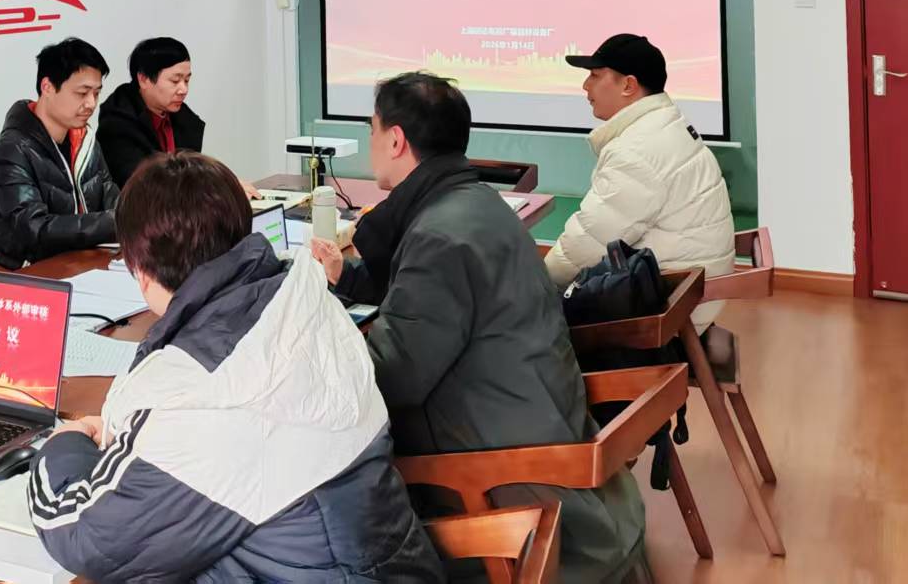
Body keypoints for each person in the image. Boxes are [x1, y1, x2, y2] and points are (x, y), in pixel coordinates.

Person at [28, 151, 444, 582]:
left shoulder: (204, 395)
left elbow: (84, 534)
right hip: (392, 566)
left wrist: (66, 441)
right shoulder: (308, 303)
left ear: (141, 272)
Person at [310, 73, 647, 584]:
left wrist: (316, 347)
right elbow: (428, 300)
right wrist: (347, 279)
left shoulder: (439, 237)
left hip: (503, 468)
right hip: (535, 420)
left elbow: (391, 380)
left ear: (396, 140)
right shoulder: (476, 204)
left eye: (372, 129)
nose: (371, 141)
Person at [545, 34, 736, 328]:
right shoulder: (664, 126)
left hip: (669, 304)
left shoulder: (637, 151)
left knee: (516, 315)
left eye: (595, 75)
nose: (585, 86)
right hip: (688, 290)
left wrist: (536, 281)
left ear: (628, 85)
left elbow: (587, 245)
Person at [0, 37, 119, 268]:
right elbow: (34, 229)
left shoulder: (84, 139)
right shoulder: (12, 150)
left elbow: (110, 194)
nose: (91, 104)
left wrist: (137, 215)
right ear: (47, 87)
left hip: (77, 260)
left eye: (96, 93)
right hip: (23, 271)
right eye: (82, 93)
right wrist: (115, 222)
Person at [95, 37, 204, 187]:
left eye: (186, 80)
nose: (183, 90)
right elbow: (139, 186)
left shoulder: (184, 118)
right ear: (144, 79)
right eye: (175, 81)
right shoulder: (117, 125)